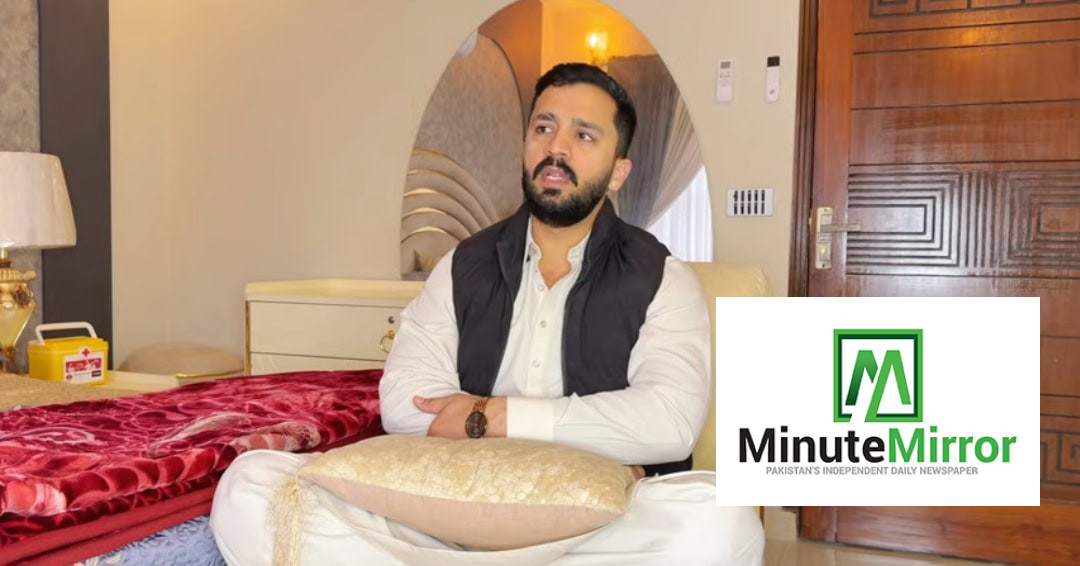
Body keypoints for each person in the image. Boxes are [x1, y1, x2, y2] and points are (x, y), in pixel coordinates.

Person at [211, 63, 764, 565]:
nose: (556, 148)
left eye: (583, 135)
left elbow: (668, 424)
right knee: (252, 485)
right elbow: (404, 403)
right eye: (543, 127)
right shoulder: (462, 265)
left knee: (723, 522)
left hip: (594, 521)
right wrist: (597, 432)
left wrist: (485, 417)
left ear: (619, 172)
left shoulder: (661, 277)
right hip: (450, 509)